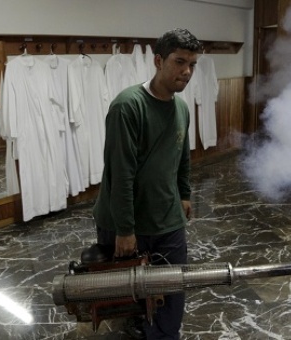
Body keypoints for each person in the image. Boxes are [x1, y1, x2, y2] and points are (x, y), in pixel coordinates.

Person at [92, 28, 202, 339]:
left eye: (192, 64)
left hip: (167, 219)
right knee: (126, 293)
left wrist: (184, 194)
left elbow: (181, 158)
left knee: (172, 288)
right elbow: (120, 173)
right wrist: (126, 229)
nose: (186, 71)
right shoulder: (128, 106)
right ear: (157, 60)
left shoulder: (181, 108)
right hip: (124, 222)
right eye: (180, 62)